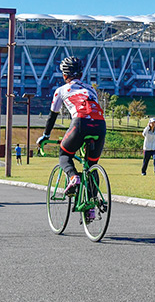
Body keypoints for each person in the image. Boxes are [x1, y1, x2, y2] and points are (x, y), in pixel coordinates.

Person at [36, 57, 106, 203]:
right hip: (100, 124)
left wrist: (45, 135)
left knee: (64, 154)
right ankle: (92, 205)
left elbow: (52, 116)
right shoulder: (91, 89)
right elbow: (93, 110)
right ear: (81, 74)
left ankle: (74, 177)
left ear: (64, 75)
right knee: (92, 165)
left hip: (80, 123)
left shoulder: (61, 90)